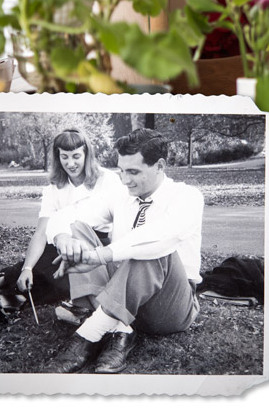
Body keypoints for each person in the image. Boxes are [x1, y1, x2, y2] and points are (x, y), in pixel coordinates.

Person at [45, 128, 204, 374]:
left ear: (160, 166)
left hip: (167, 306)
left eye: (133, 172)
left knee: (152, 248)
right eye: (120, 170)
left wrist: (101, 255)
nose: (125, 179)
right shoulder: (121, 195)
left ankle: (89, 334)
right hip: (120, 292)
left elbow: (162, 237)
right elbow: (68, 216)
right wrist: (63, 237)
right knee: (78, 229)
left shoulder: (187, 196)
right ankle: (121, 329)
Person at [0, 128, 125, 305]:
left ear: (86, 155)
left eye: (76, 156)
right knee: (32, 271)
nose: (70, 163)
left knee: (57, 282)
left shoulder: (107, 179)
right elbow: (41, 233)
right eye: (64, 157)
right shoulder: (53, 188)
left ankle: (1, 286)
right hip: (61, 246)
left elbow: (122, 224)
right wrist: (27, 268)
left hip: (96, 246)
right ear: (57, 157)